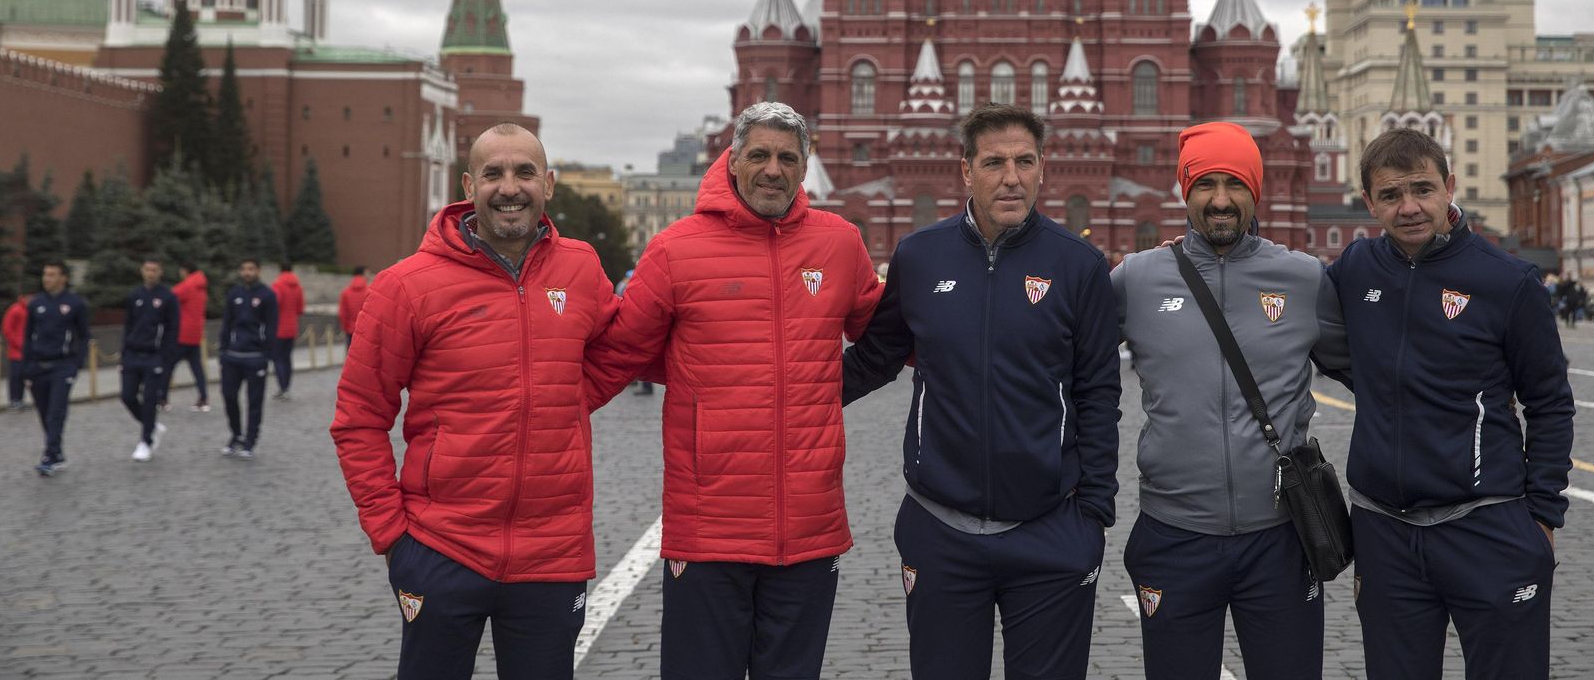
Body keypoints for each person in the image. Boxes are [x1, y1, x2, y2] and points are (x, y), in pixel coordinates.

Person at [582, 101, 882, 680]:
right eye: (760, 156)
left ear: (804, 167)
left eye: (787, 158)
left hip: (809, 526)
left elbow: (888, 334)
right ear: (734, 162)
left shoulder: (839, 243)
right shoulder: (676, 248)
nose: (773, 169)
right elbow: (619, 352)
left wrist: (831, 386)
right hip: (707, 526)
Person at [840, 103, 1122, 680]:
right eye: (994, 162)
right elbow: (874, 360)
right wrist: (777, 390)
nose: (1011, 177)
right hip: (940, 527)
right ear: (965, 171)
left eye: (1024, 161)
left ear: (1044, 168)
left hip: (1050, 531)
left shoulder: (1080, 265)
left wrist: (1091, 516)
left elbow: (1099, 391)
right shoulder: (920, 257)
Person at [331, 124, 623, 680]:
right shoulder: (406, 286)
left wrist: (569, 396)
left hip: (552, 554)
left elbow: (620, 350)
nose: (509, 187)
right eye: (493, 173)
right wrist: (391, 534)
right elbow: (359, 420)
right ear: (469, 184)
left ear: (549, 185)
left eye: (524, 173)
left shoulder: (582, 268)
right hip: (442, 547)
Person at [1327, 127, 1574, 680]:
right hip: (1383, 529)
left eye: (1423, 189)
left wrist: (1542, 517)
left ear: (1450, 187)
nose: (1409, 207)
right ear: (1369, 202)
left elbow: (1551, 403)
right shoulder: (1354, 268)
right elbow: (1292, 317)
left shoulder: (1508, 281)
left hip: (1485, 524)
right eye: (1390, 195)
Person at [1110, 121, 1348, 680]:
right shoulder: (1137, 280)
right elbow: (1068, 367)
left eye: (1236, 184)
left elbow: (1375, 373)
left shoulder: (1303, 278)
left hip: (1282, 537)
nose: (1221, 200)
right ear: (1184, 192)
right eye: (1205, 184)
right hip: (1174, 533)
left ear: (1256, 192)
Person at [22, 260, 90, 476]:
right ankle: (57, 452)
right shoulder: (36, 303)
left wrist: (77, 363)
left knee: (56, 412)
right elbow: (27, 336)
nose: (47, 279)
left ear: (63, 278)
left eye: (52, 275)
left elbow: (84, 335)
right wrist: (26, 366)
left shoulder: (75, 303)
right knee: (44, 412)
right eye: (45, 274)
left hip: (63, 365)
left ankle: (49, 456)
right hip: (38, 366)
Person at [120, 258, 179, 462]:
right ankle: (152, 426)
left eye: (154, 270)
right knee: (127, 396)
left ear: (160, 271)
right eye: (147, 269)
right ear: (141, 270)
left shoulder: (168, 297)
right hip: (133, 354)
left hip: (155, 356)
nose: (150, 273)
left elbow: (172, 329)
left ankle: (146, 441)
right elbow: (128, 325)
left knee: (150, 399)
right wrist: (124, 351)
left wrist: (166, 358)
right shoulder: (135, 295)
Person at [218, 257, 276, 459]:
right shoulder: (235, 294)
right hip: (232, 356)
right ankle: (236, 434)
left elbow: (271, 326)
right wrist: (223, 350)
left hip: (255, 357)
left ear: (258, 271)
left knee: (254, 401)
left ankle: (250, 440)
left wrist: (266, 355)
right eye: (244, 269)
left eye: (251, 269)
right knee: (229, 396)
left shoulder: (267, 295)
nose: (247, 272)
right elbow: (227, 323)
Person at [168, 262, 210, 411]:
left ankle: (162, 398)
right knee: (197, 368)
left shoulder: (187, 286)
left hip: (182, 333)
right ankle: (204, 398)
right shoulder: (201, 286)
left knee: (168, 365)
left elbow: (169, 298)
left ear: (185, 271)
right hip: (195, 333)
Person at [271, 262, 304, 399]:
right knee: (287, 358)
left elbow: (273, 306)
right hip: (292, 326)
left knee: (277, 358)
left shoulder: (277, 285)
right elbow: (300, 309)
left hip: (278, 327)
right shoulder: (298, 286)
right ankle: (287, 388)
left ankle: (282, 388)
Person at [2, 287, 28, 411]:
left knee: (23, 376)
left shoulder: (30, 310)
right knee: (16, 376)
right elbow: (7, 329)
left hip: (27, 350)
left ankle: (20, 399)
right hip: (16, 350)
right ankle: (14, 400)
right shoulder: (16, 310)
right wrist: (18, 343)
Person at [336, 265, 368, 347]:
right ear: (363, 274)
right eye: (367, 273)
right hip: (366, 330)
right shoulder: (369, 291)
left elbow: (342, 312)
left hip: (350, 329)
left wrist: (345, 327)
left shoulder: (345, 292)